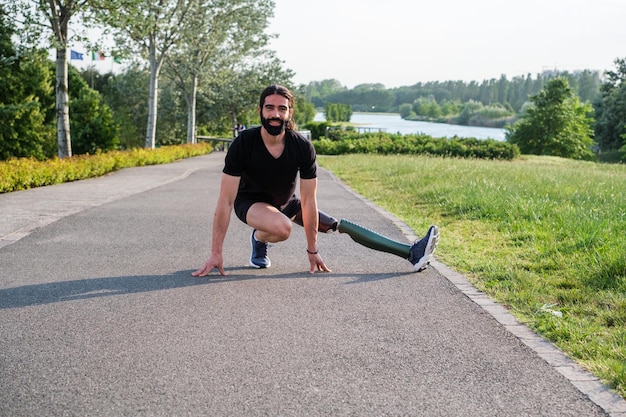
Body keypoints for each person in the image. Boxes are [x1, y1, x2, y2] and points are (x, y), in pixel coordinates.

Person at [193, 84, 439, 277]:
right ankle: (259, 237)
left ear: (290, 113)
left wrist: (313, 250)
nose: (275, 114)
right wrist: (216, 253)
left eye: (282, 108)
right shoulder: (243, 143)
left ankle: (410, 253)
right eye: (269, 108)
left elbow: (309, 201)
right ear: (260, 111)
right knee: (282, 227)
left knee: (336, 225)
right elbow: (225, 201)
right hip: (250, 203)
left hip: (287, 203)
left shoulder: (301, 146)